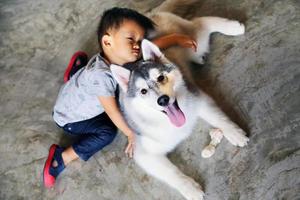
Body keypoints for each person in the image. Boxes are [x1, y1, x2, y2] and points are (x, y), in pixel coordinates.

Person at [43, 7, 197, 188]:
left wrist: (177, 38)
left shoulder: (118, 54)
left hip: (77, 92)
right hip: (71, 120)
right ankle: (63, 157)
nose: (137, 46)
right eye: (131, 39)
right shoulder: (101, 77)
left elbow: (152, 48)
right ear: (107, 42)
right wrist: (131, 134)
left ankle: (76, 74)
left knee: (105, 87)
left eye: (139, 41)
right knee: (107, 131)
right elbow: (113, 112)